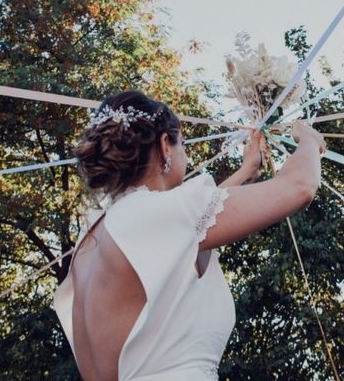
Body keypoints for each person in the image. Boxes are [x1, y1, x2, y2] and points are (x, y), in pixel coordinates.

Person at [53, 90, 325, 380]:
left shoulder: (93, 237)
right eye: (182, 143)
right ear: (165, 146)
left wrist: (246, 170)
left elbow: (192, 227)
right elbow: (299, 186)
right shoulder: (152, 214)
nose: (185, 154)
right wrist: (308, 140)